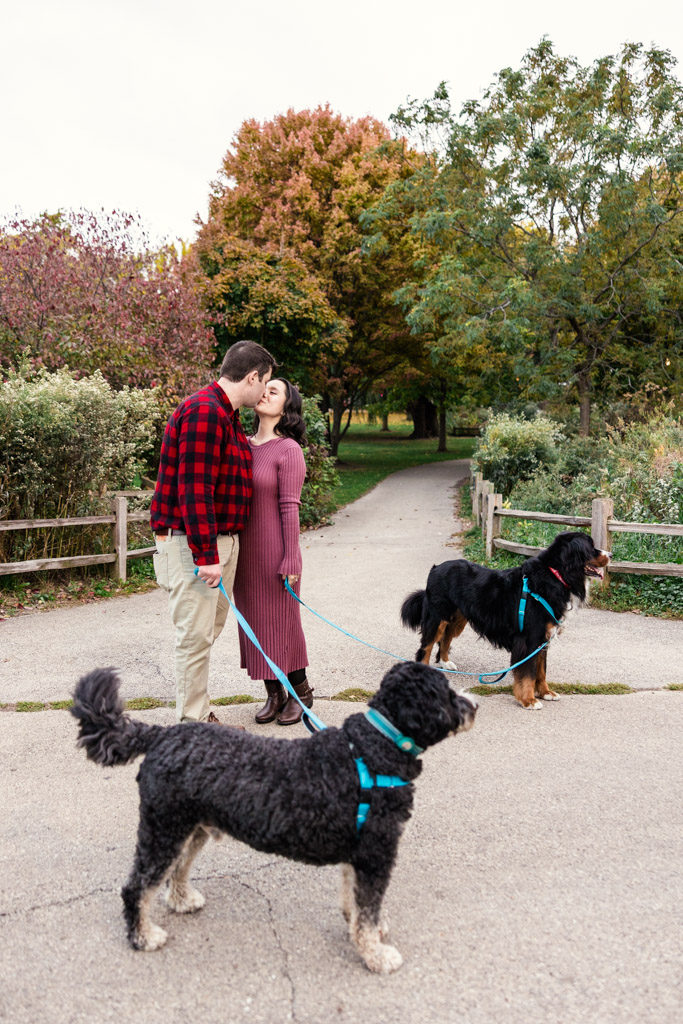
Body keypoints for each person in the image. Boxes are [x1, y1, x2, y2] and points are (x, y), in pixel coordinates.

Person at [150, 340, 277, 724]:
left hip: (221, 542)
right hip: (197, 547)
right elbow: (195, 487)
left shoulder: (226, 414)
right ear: (252, 376)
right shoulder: (205, 412)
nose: (264, 391)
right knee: (194, 635)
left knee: (206, 632)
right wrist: (206, 555)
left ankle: (198, 712)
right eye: (265, 382)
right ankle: (193, 722)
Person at [232, 378, 312, 725]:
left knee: (283, 624)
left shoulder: (288, 450)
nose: (265, 393)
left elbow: (290, 507)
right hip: (244, 553)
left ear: (287, 406)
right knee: (255, 624)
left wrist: (291, 557)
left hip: (276, 552)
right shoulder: (242, 445)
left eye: (274, 391)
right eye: (264, 388)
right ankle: (273, 693)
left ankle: (301, 693)